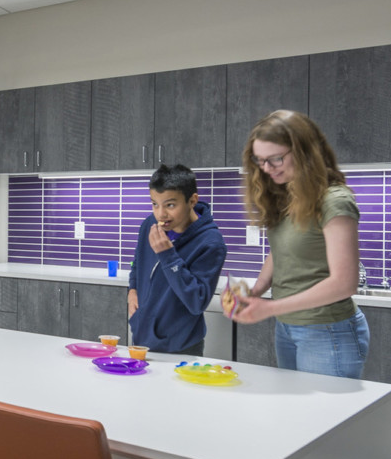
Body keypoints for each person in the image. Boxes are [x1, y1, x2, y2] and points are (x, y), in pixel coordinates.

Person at [228, 109, 369, 378]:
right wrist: (256, 290)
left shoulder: (334, 201)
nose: (267, 169)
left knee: (328, 418)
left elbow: (344, 282)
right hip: (288, 326)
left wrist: (270, 307)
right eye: (260, 161)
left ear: (305, 152)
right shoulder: (288, 197)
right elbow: (281, 251)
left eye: (276, 159)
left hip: (328, 331)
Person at [126, 163, 226, 356]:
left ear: (192, 200)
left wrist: (168, 256)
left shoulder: (211, 243)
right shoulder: (150, 224)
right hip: (141, 339)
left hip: (180, 347)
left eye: (170, 205)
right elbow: (138, 262)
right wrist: (132, 290)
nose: (161, 214)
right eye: (155, 203)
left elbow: (197, 302)